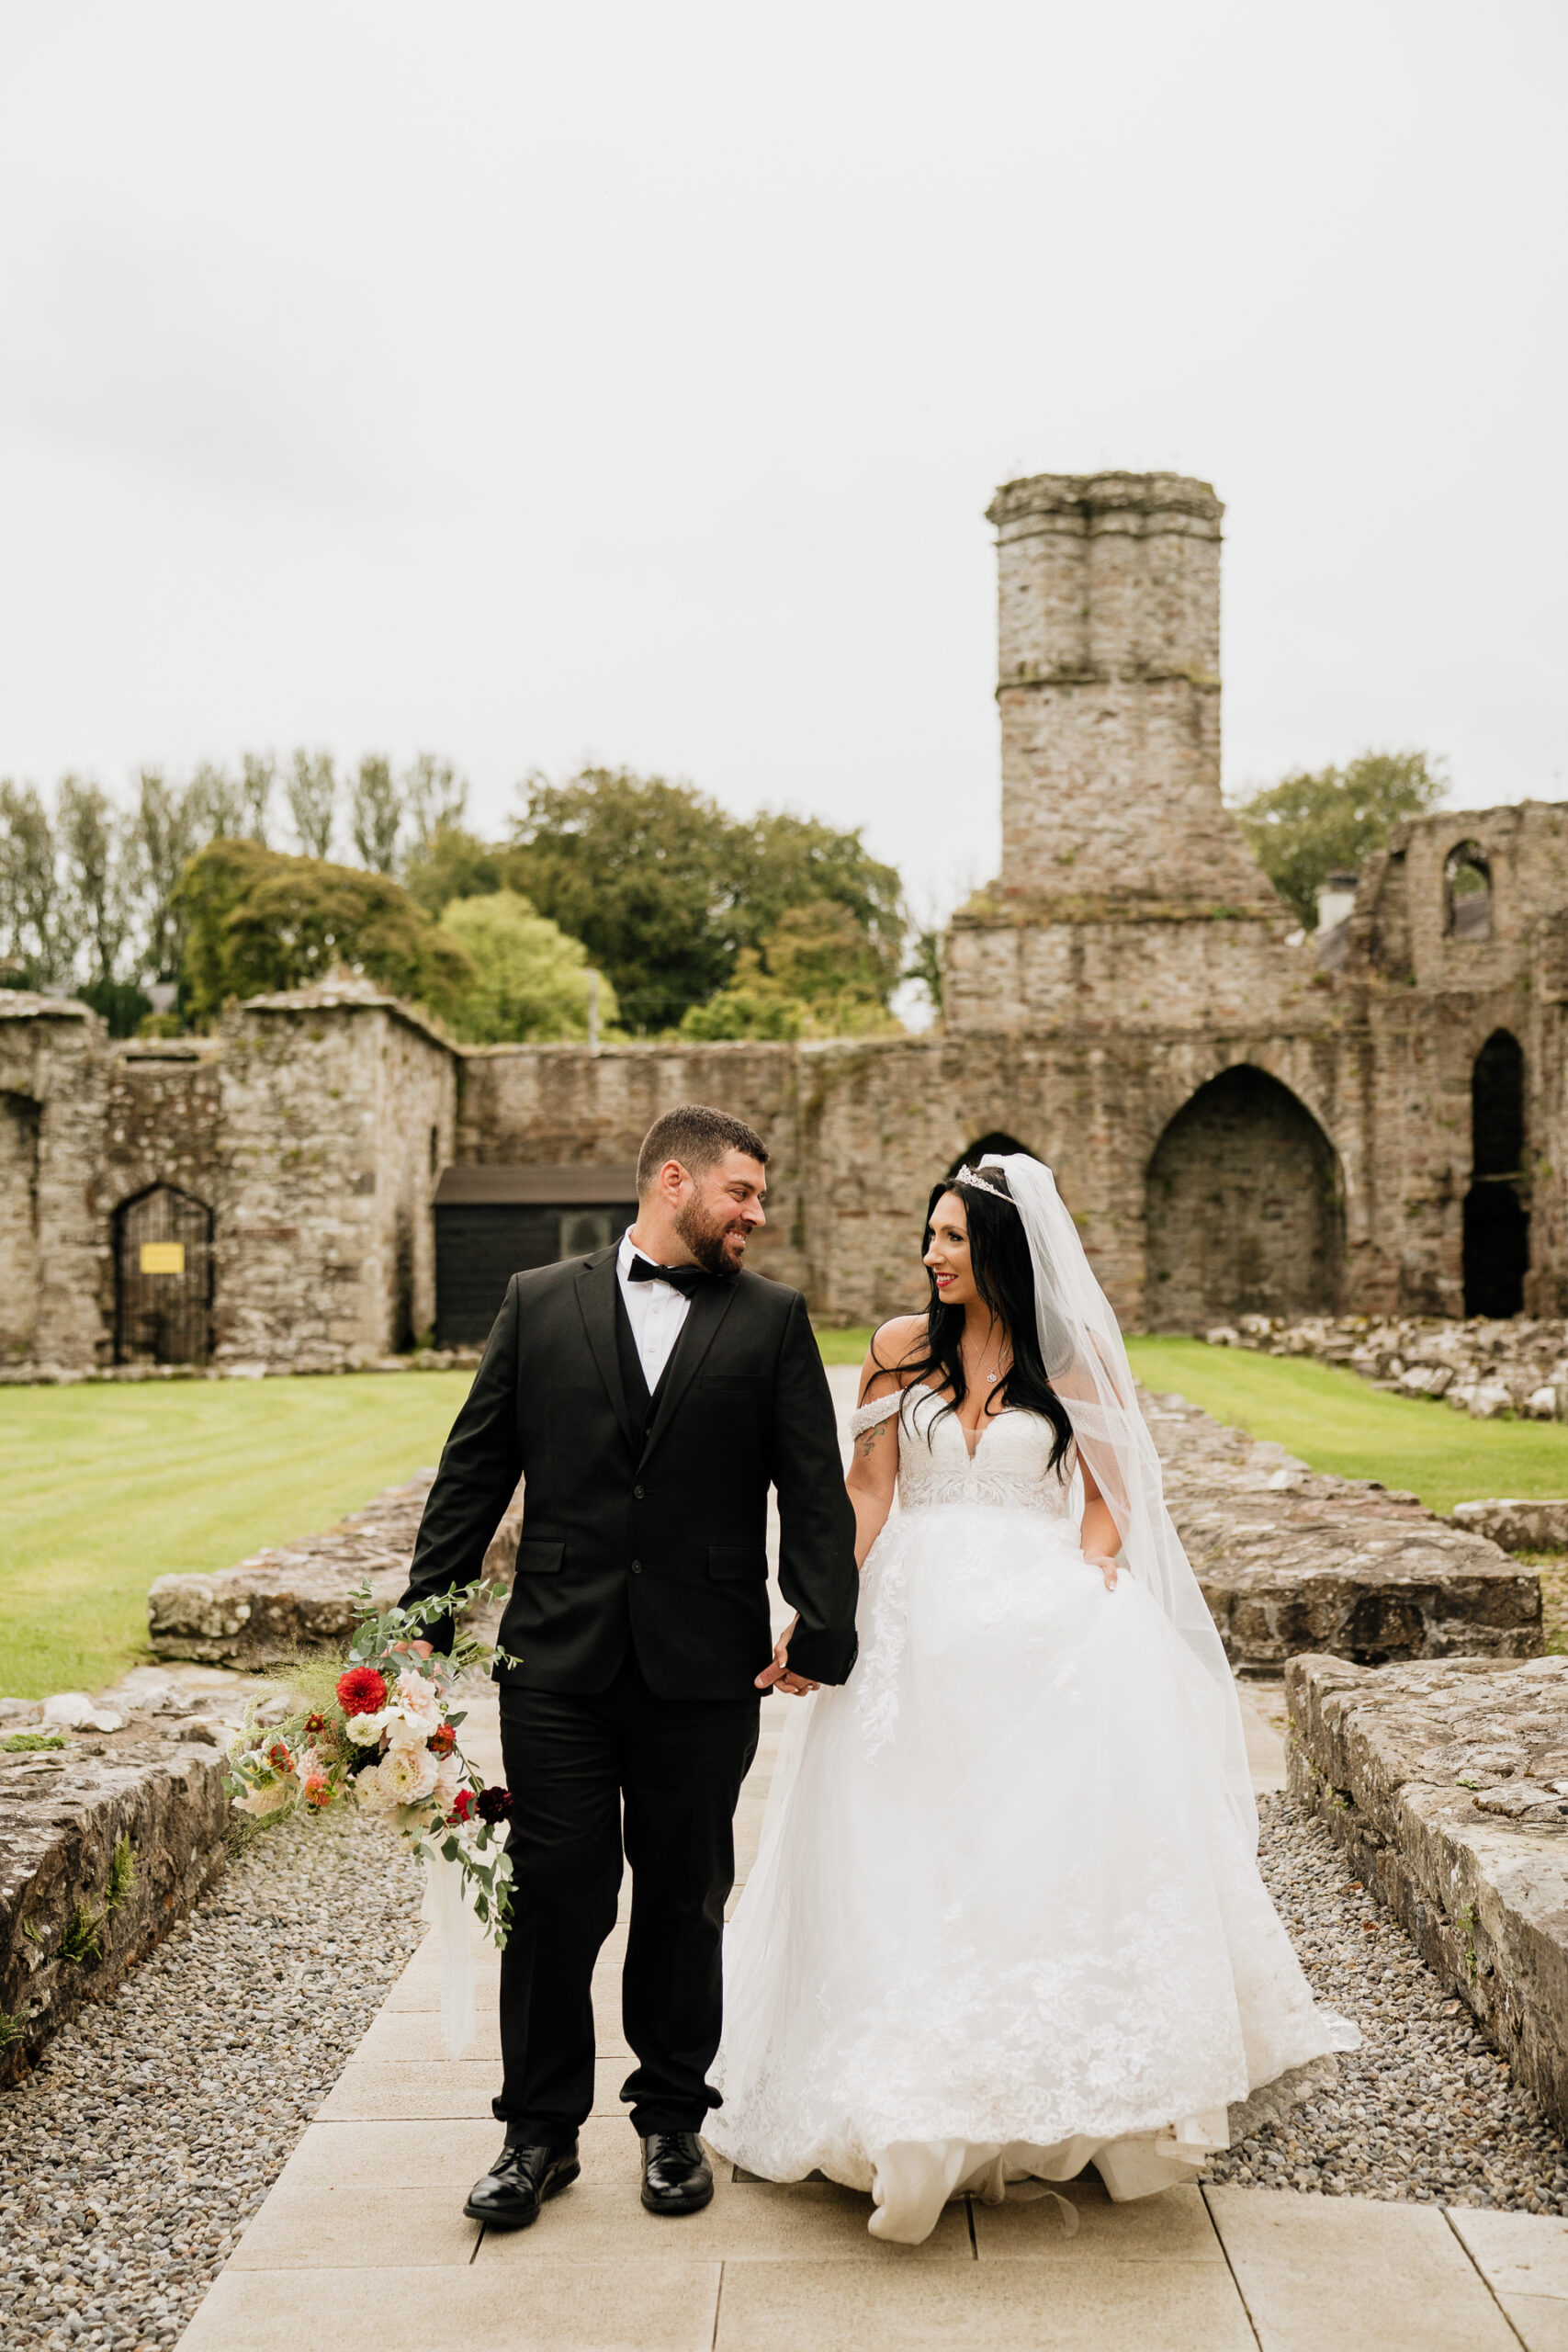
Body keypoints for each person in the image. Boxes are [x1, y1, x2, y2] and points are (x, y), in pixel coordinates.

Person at [708, 1152, 1356, 2245]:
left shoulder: (1074, 1363)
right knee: (898, 1844)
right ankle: (905, 2097)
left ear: (1002, 1249)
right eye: (930, 1236)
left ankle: (1050, 2094)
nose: (931, 1254)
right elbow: (868, 1493)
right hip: (912, 1625)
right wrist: (825, 1610)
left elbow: (1112, 1498)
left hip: (1035, 1628)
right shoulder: (895, 1353)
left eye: (952, 1239)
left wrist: (1093, 1572)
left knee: (1025, 1850)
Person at [397, 1103, 860, 2229]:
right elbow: (476, 1466)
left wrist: (824, 1619)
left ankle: (670, 2122)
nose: (757, 1214)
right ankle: (537, 2135)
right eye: (741, 1193)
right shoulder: (536, 1301)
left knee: (684, 1894)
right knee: (557, 1896)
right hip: (554, 1657)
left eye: (760, 1198)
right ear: (673, 1181)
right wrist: (425, 1616)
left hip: (707, 1664)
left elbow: (811, 1484)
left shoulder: (774, 1321)